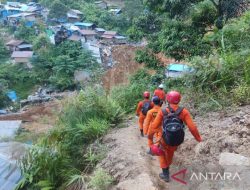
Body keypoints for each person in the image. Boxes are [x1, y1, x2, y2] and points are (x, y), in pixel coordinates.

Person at [148, 91, 202, 182]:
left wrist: (149, 137)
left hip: (164, 138)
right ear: (179, 99)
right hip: (177, 139)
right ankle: (168, 166)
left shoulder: (163, 111)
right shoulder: (184, 111)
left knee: (161, 152)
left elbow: (154, 126)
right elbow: (192, 128)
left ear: (168, 99)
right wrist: (198, 139)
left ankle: (165, 174)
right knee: (170, 153)